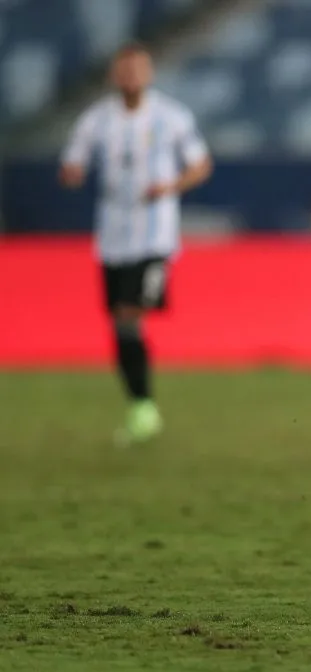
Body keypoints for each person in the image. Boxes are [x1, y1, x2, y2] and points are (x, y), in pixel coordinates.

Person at [59, 42, 213, 445]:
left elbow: (200, 164)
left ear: (148, 74)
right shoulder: (96, 120)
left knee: (130, 312)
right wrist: (72, 171)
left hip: (155, 232)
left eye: (137, 70)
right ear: (115, 75)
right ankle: (140, 405)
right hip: (112, 232)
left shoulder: (171, 116)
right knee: (121, 321)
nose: (130, 77)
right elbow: (72, 162)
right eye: (124, 70)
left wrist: (170, 185)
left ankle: (143, 407)